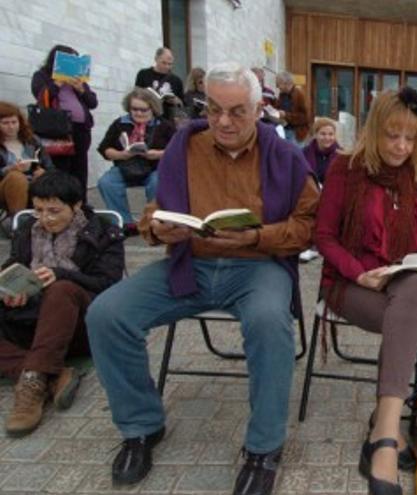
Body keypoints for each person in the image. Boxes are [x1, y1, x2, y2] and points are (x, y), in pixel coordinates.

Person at [85, 62, 319, 494]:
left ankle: (263, 448)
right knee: (106, 314)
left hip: (258, 266)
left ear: (258, 108)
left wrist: (257, 236)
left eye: (236, 112)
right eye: (214, 110)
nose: (223, 122)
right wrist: (158, 227)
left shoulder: (285, 155)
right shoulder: (184, 145)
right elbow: (156, 207)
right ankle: (141, 426)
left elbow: (308, 226)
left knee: (269, 322)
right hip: (189, 262)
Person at [315, 87, 417, 495]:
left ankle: (383, 431)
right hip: (349, 284)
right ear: (375, 131)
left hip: (399, 283)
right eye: (393, 135)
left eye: (410, 138)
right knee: (409, 313)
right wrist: (359, 274)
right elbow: (323, 236)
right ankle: (386, 435)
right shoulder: (345, 168)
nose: (401, 146)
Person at [0, 171, 124, 436]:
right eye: (39, 210)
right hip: (27, 321)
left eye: (54, 211)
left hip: (79, 324)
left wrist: (63, 274)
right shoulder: (27, 230)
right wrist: (10, 289)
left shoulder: (103, 232)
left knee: (61, 289)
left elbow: (109, 284)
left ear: (77, 205)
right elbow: (13, 266)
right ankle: (51, 374)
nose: (46, 218)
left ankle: (32, 386)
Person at [96, 88, 177, 236]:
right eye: (134, 109)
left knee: (157, 182)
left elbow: (177, 150)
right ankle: (125, 223)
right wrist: (122, 155)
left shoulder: (164, 126)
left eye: (143, 110)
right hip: (125, 167)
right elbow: (104, 148)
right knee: (106, 182)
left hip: (154, 168)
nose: (139, 113)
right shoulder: (120, 123)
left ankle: (153, 221)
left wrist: (158, 154)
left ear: (152, 108)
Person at [31, 44, 98, 199]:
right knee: (60, 167)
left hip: (80, 129)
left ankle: (81, 203)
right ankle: (59, 201)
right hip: (57, 129)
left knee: (80, 167)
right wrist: (58, 82)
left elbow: (93, 102)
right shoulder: (42, 75)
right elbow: (41, 97)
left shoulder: (78, 80)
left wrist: (81, 88)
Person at [0, 101, 53, 218]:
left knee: (48, 178)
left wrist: (43, 172)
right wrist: (9, 169)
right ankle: (20, 222)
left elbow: (50, 167)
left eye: (14, 122)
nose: (11, 127)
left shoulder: (33, 140)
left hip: (33, 183)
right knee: (16, 177)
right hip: (5, 186)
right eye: (5, 123)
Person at [135, 47, 185, 121]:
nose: (167, 67)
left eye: (170, 64)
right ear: (156, 59)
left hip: (168, 120)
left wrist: (178, 101)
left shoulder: (176, 80)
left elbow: (183, 104)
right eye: (164, 63)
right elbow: (135, 96)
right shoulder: (143, 74)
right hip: (147, 118)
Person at [302, 117, 340, 184]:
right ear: (315, 134)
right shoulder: (305, 153)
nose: (327, 138)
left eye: (331, 134)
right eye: (323, 134)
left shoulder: (341, 155)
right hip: (312, 192)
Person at [276, 72, 310, 146]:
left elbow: (305, 117)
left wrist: (286, 115)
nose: (277, 86)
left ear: (286, 83)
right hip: (284, 130)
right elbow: (278, 108)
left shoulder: (299, 94)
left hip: (296, 133)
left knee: (295, 156)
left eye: (278, 83)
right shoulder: (282, 94)